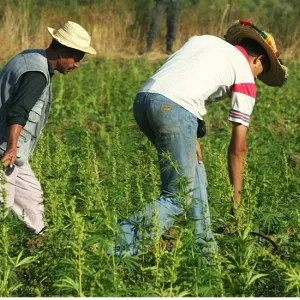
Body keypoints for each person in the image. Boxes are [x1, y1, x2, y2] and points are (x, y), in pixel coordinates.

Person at [115, 20, 288, 256]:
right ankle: (111, 248)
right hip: (175, 109)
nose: (257, 79)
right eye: (261, 73)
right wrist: (237, 198)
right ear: (258, 60)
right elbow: (238, 148)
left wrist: (191, 133)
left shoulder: (203, 41)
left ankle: (204, 255)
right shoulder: (245, 74)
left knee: (196, 178)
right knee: (176, 198)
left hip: (145, 100)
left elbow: (181, 80)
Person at [0, 21, 96, 234]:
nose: (77, 64)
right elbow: (19, 111)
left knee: (33, 200)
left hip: (15, 152)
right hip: (6, 150)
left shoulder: (31, 57)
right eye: (77, 58)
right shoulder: (36, 73)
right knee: (2, 205)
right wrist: (11, 148)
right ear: (62, 51)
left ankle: (42, 246)